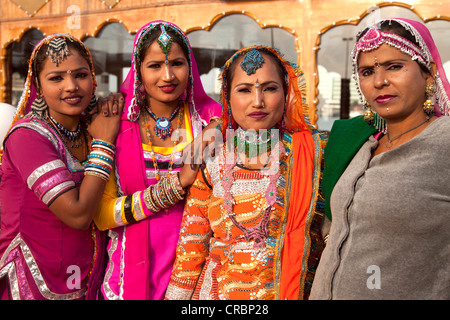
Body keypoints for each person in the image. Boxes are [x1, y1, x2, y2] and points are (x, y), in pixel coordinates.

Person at [164, 45, 328, 300]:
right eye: (244, 90)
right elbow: (191, 251)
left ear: (286, 92)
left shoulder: (314, 155)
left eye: (270, 88)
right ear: (228, 98)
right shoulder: (211, 160)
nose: (257, 102)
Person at [310, 18, 450, 300]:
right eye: (367, 71)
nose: (379, 81)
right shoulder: (359, 142)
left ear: (429, 73)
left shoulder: (444, 140)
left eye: (394, 66)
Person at [93, 21, 222, 300]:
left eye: (176, 63)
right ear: (138, 69)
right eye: (154, 66)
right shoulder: (114, 122)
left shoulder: (211, 121)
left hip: (196, 275)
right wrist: (176, 184)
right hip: (128, 279)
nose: (167, 76)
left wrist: (222, 128)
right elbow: (102, 216)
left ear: (190, 67)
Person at [0, 34, 122, 300]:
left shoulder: (90, 127)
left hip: (88, 275)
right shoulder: (27, 137)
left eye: (80, 75)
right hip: (34, 279)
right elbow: (77, 215)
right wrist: (103, 143)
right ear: (38, 86)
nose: (71, 86)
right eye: (56, 78)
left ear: (93, 79)